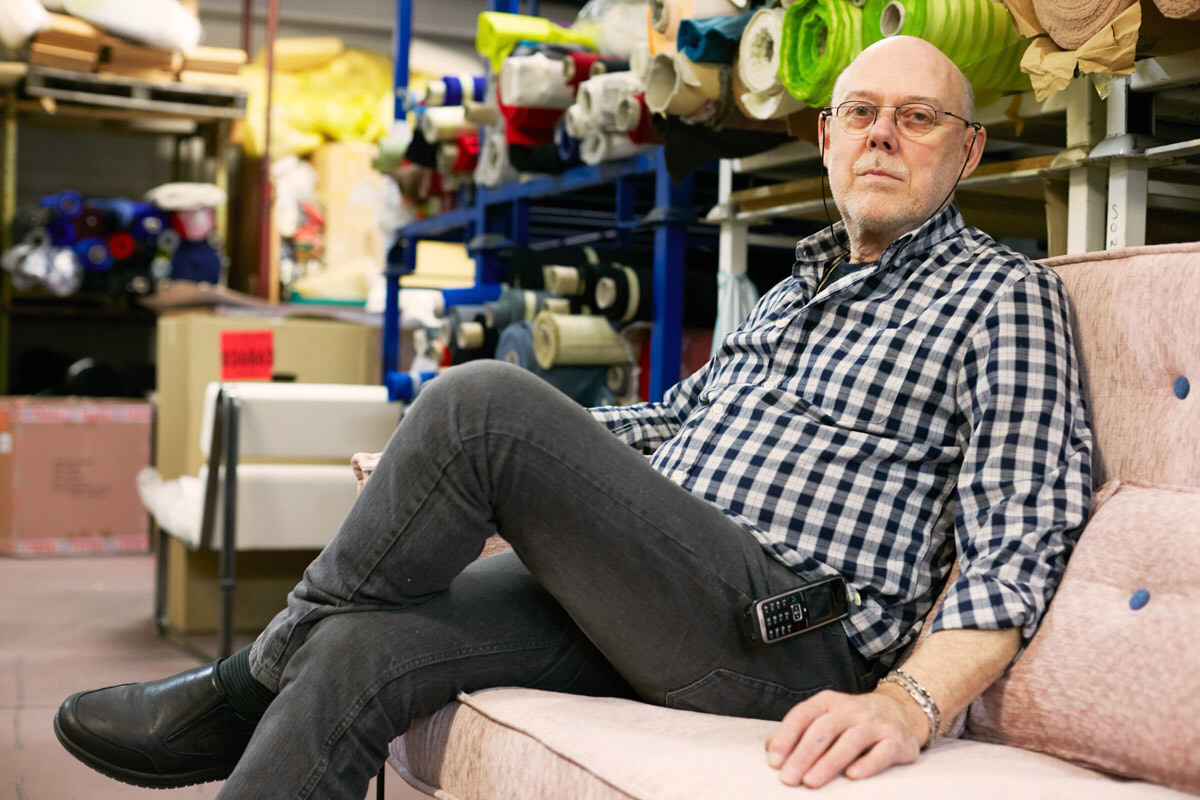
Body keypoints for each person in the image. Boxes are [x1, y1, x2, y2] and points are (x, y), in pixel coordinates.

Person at [54, 35, 1092, 798]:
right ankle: (277, 673)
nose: (882, 135)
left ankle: (240, 685)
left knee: (481, 400)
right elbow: (677, 420)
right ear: (826, 137)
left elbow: (1022, 534)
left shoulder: (1001, 295)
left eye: (919, 118)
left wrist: (908, 702)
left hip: (788, 631)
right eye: (861, 111)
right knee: (360, 645)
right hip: (656, 596)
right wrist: (438, 464)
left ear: (969, 151)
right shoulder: (792, 288)